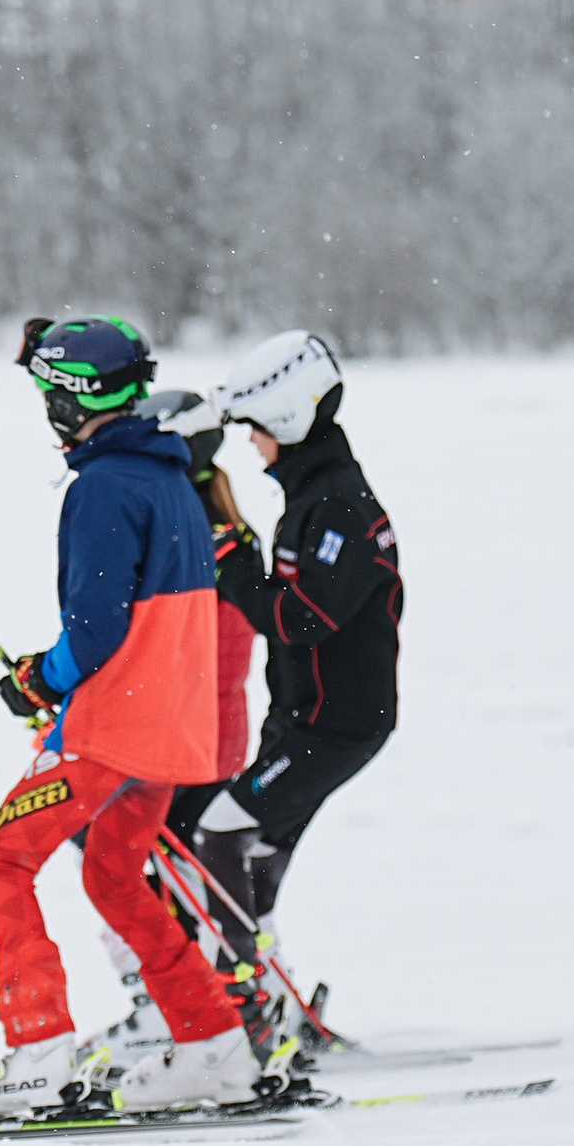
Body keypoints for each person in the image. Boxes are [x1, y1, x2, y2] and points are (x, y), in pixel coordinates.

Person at [0, 315, 271, 1122]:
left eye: (48, 393)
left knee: (1, 860)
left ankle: (38, 1051)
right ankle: (213, 1045)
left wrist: (40, 678)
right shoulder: (169, 481)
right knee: (113, 874)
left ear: (69, 400)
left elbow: (95, 633)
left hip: (114, 728)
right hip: (170, 732)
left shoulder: (103, 488)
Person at [169, 331, 402, 1052]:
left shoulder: (337, 507)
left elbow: (299, 619)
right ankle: (268, 998)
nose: (252, 447)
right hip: (306, 718)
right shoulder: (315, 496)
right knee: (251, 854)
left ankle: (244, 1013)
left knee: (221, 832)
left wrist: (234, 560)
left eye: (256, 431)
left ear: (290, 423)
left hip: (335, 725)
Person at [75, 429, 263, 1081]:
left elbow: (175, 653)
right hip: (202, 737)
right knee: (148, 870)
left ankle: (183, 1010)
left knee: (134, 871)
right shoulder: (214, 530)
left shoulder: (201, 542)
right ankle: (189, 1004)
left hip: (183, 741)